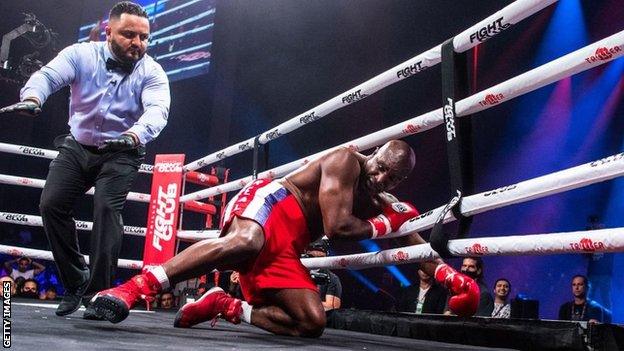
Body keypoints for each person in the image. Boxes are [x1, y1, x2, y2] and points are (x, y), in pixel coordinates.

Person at [91, 140, 480, 337]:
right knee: (243, 244)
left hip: (289, 246)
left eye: (391, 179)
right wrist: (384, 224)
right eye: (379, 168)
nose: (379, 179)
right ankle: (130, 289)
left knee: (311, 323)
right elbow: (338, 229)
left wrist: (453, 279)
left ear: (400, 181)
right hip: (271, 206)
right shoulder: (346, 162)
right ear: (373, 153)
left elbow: (410, 240)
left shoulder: (381, 199)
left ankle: (225, 306)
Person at [0, 1, 170, 318]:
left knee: (107, 208)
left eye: (144, 37)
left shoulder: (153, 72)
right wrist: (33, 98)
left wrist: (133, 135)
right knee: (51, 204)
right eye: (129, 34)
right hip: (77, 145)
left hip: (122, 151)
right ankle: (75, 279)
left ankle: (99, 294)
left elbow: (158, 110)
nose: (138, 43)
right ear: (108, 32)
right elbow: (48, 75)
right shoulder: (81, 54)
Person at [305, 240, 342, 311]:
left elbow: (332, 306)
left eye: (320, 257)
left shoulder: (332, 278)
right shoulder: (296, 273)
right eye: (312, 256)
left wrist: (302, 302)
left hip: (319, 316)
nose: (315, 260)